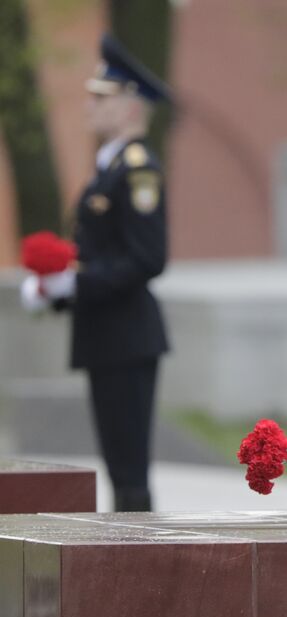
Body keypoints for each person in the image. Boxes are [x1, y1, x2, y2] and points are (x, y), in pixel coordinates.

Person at [20, 34, 172, 512]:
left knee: (128, 464)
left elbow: (148, 258)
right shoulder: (108, 168)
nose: (90, 105)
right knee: (116, 457)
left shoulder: (137, 169)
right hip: (105, 332)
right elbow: (96, 251)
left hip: (127, 334)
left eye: (102, 97)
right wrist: (56, 290)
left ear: (131, 107)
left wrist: (75, 282)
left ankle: (138, 555)